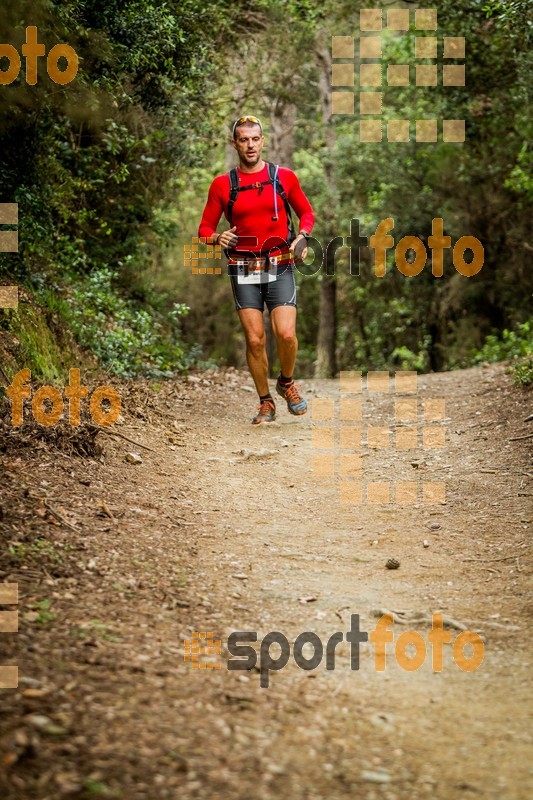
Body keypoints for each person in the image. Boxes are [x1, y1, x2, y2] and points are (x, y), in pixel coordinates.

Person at [198, 115, 315, 424]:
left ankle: (286, 382)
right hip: (243, 267)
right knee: (255, 340)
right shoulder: (223, 185)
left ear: (263, 141)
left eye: (254, 139)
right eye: (243, 139)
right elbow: (204, 228)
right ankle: (266, 401)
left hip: (280, 263)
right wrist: (216, 237)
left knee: (286, 334)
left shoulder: (283, 177)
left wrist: (302, 237)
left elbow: (306, 212)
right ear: (235, 143)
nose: (249, 145)